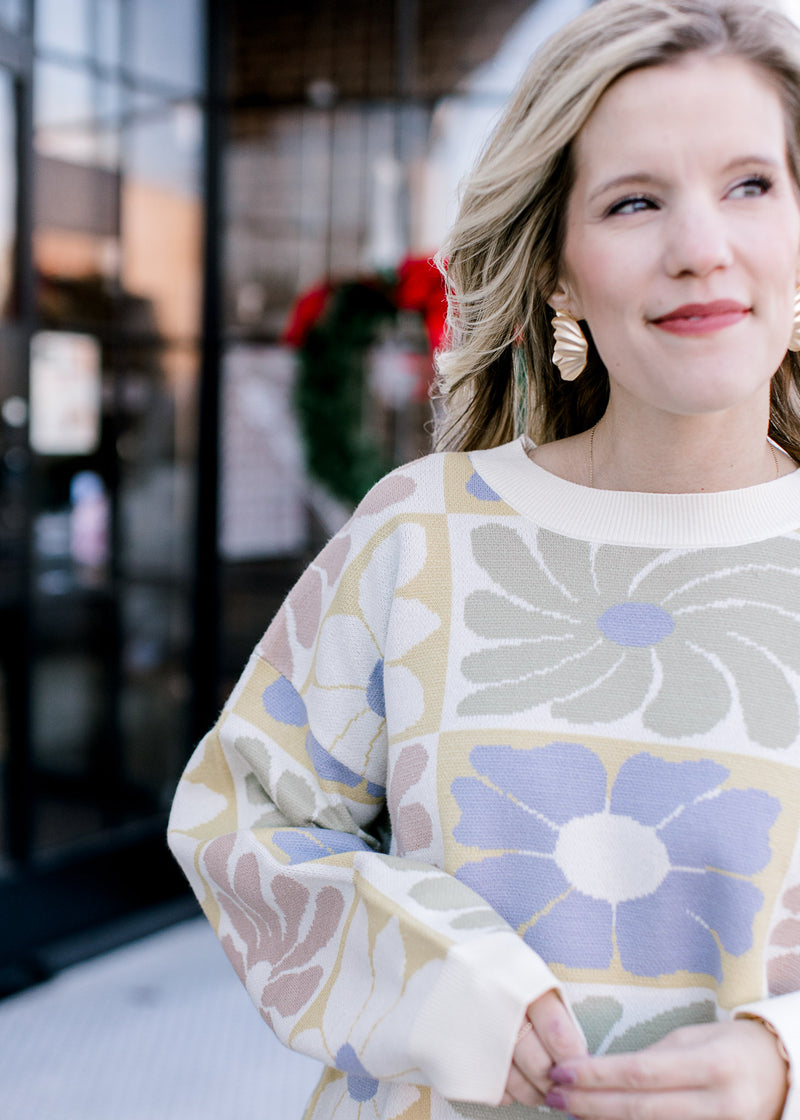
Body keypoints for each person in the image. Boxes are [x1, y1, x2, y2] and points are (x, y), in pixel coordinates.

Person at [168, 1, 800, 1117]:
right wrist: (440, 984)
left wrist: (779, 1062)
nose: (700, 245)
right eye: (633, 199)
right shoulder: (419, 532)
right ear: (557, 268)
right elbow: (241, 821)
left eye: (750, 184)